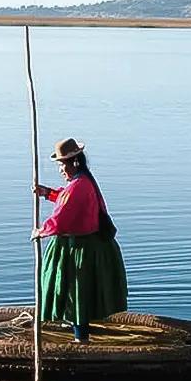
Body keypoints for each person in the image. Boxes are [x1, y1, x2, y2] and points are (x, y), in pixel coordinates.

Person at [33, 137, 129, 341]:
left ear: (74, 162)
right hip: (86, 245)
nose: (60, 170)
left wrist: (41, 231)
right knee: (78, 294)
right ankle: (79, 333)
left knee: (77, 293)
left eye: (62, 165)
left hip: (82, 250)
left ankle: (81, 339)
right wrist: (48, 193)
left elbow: (62, 217)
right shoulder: (82, 181)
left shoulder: (79, 185)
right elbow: (67, 200)